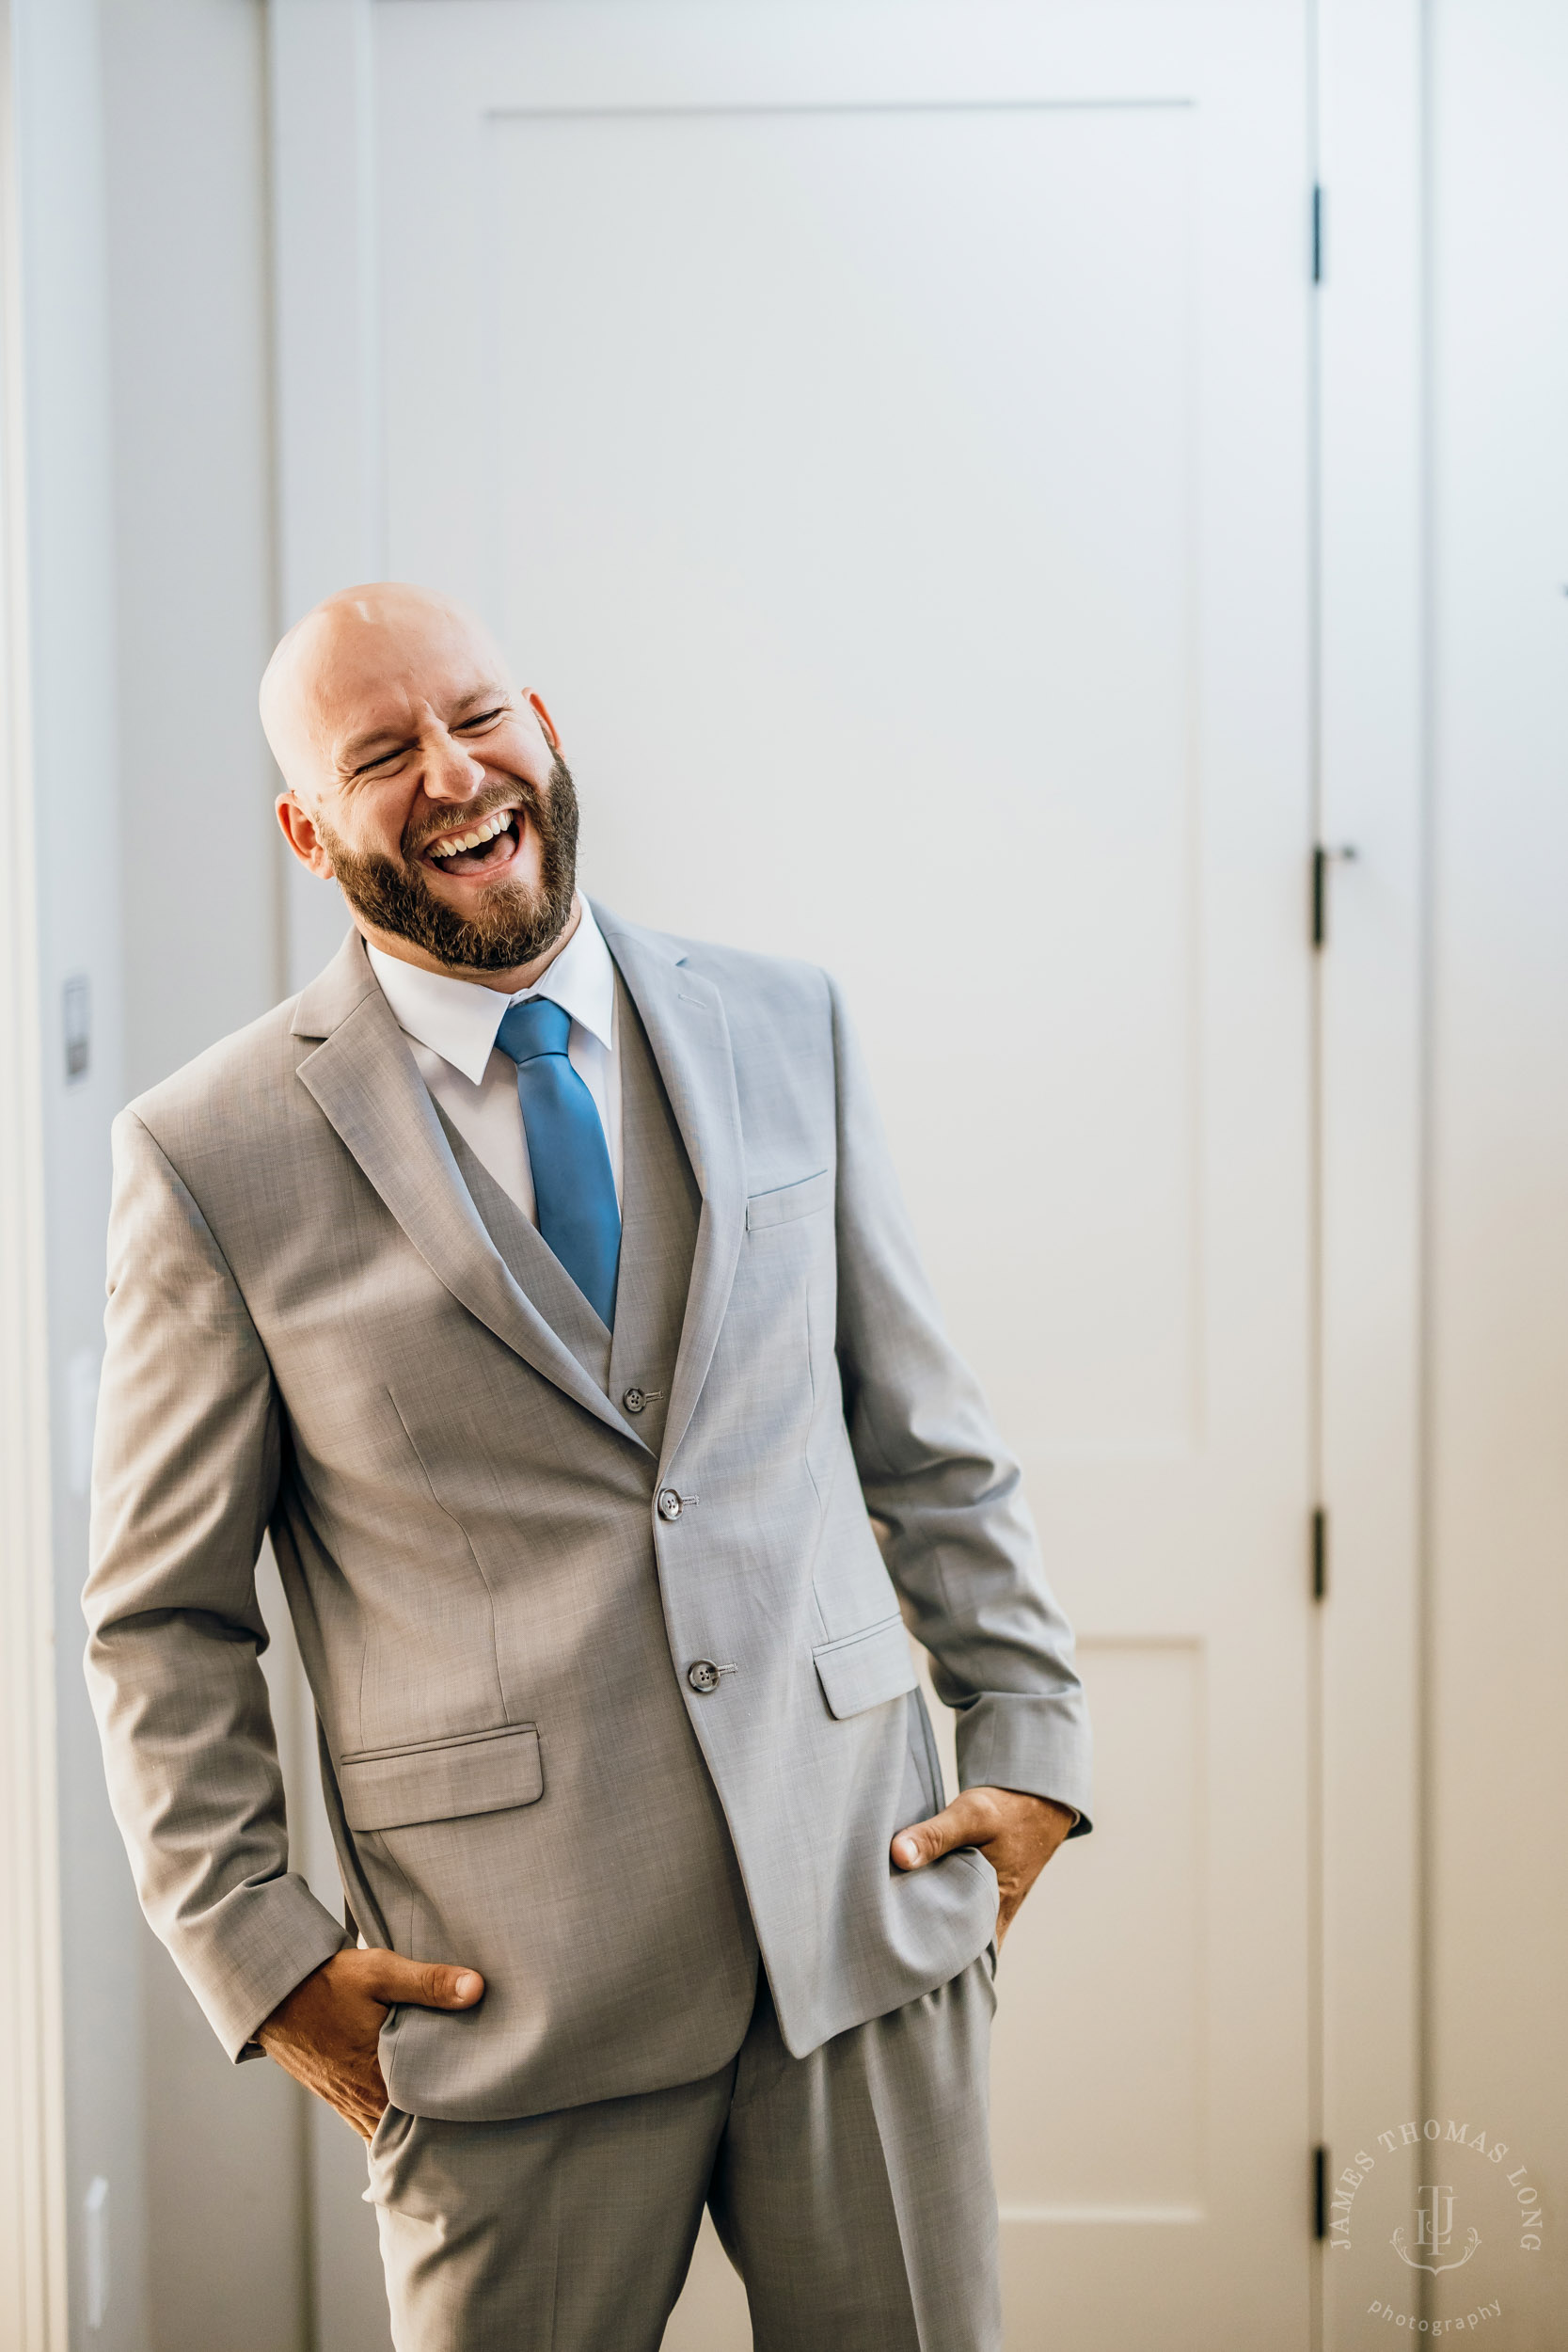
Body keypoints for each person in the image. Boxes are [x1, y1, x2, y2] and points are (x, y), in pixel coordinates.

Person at [85, 582, 1091, 2351]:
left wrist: (1034, 1749)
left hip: (865, 1920)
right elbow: (161, 1619)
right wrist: (258, 1951)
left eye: (477, 716)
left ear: (540, 721)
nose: (454, 773)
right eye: (381, 752)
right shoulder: (208, 1152)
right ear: (305, 826)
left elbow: (928, 1438)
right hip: (506, 2004)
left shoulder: (793, 1023)